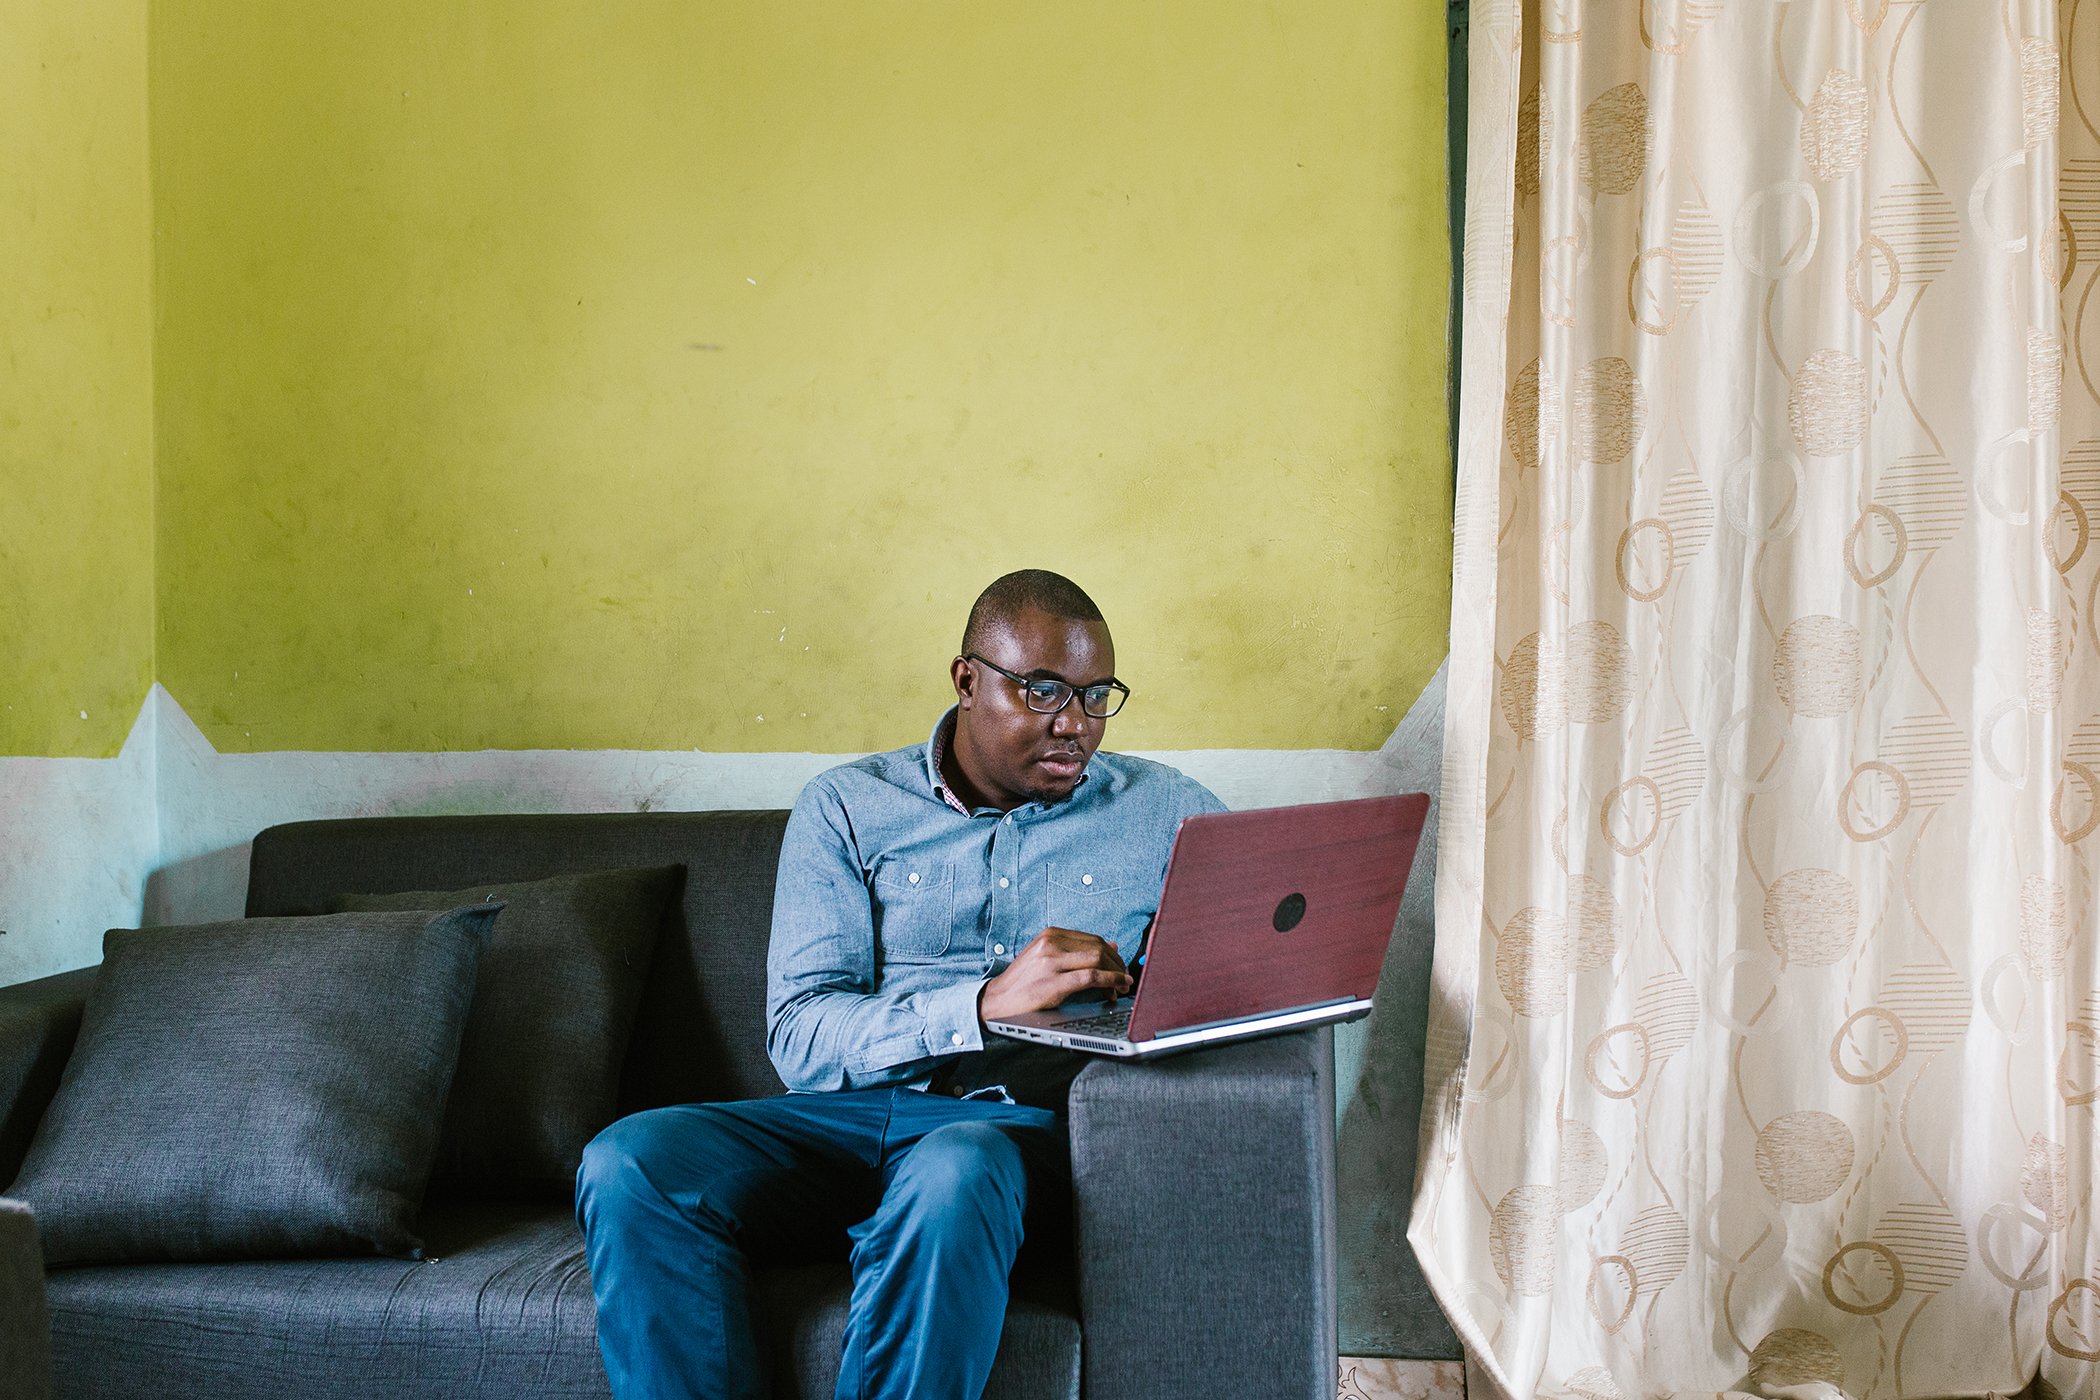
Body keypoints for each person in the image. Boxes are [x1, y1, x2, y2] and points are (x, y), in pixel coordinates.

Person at [575, 569, 1225, 1400]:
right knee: (633, 1159)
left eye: (1098, 697)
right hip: (846, 1117)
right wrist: (979, 1007)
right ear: (966, 679)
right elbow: (802, 1040)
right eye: (1044, 690)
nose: (1075, 725)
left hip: (1012, 1133)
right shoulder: (848, 807)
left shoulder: (1169, 812)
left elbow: (1240, 983)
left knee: (953, 1168)